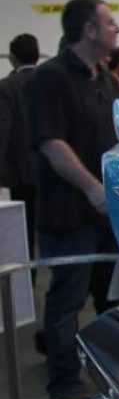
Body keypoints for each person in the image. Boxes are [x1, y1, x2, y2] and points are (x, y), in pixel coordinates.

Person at [26, 0, 119, 399]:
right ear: (88, 29)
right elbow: (52, 144)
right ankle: (64, 385)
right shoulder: (49, 78)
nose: (117, 28)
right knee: (67, 301)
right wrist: (93, 190)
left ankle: (113, 378)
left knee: (113, 301)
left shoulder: (107, 81)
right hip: (70, 213)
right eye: (110, 21)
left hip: (108, 214)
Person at [0, 34, 39, 260]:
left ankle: (28, 278)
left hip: (20, 170)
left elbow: (3, 129)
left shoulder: (6, 86)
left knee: (24, 232)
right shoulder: (50, 80)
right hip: (52, 167)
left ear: (12, 58)